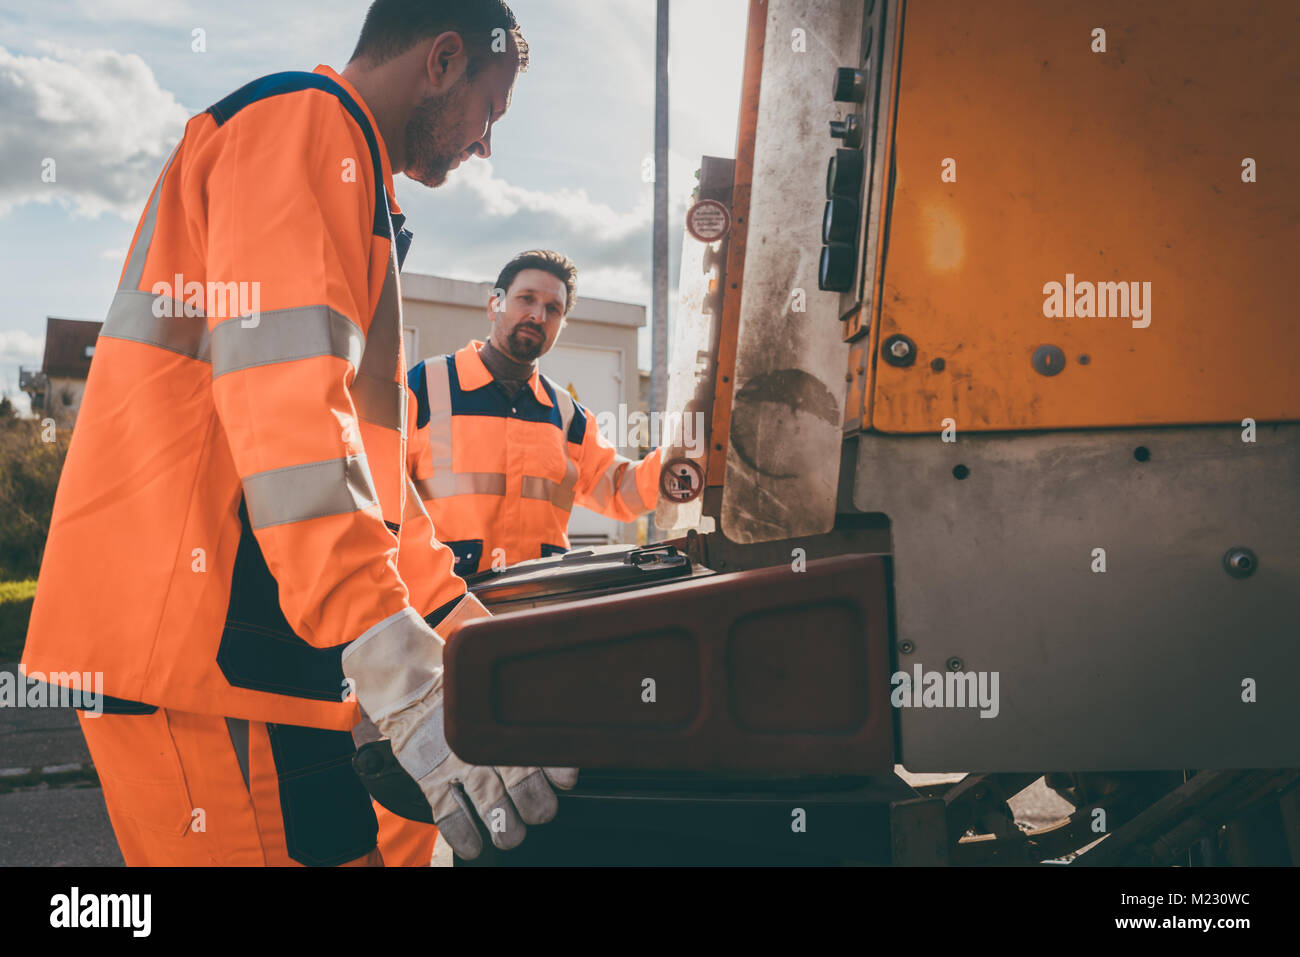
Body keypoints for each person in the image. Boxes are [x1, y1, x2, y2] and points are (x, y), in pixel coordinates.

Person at [21, 0, 575, 867]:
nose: (484, 144)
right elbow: (291, 420)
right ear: (441, 61)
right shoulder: (301, 128)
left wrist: (459, 629)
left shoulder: (345, 174)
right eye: (489, 109)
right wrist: (398, 668)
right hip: (202, 655)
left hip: (252, 659)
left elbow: (370, 475)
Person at [378, 250, 666, 864]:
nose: (538, 314)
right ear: (495, 302)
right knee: (415, 802)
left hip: (532, 638)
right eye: (526, 299)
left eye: (553, 308)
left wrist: (679, 470)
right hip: (438, 632)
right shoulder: (422, 389)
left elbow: (618, 489)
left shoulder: (565, 415)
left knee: (524, 800)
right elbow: (379, 498)